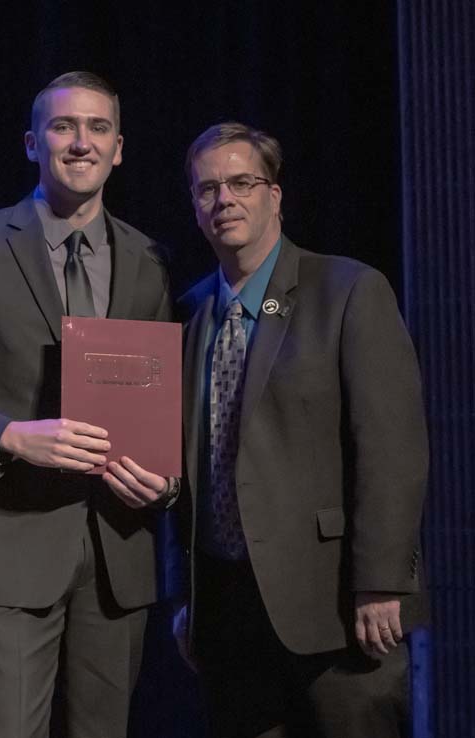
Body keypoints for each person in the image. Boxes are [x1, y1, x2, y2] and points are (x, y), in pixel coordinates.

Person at [0, 71, 177, 738]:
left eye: (98, 128)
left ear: (120, 149)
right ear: (32, 143)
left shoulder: (150, 259)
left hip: (118, 558)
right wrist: (13, 436)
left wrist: (166, 481)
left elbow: (164, 405)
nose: (82, 142)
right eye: (63, 127)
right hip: (12, 554)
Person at [174, 121, 429, 738]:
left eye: (241, 183)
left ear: (275, 196)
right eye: (207, 189)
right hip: (228, 615)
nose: (224, 200)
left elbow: (392, 449)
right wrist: (187, 600)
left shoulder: (346, 289)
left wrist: (381, 583)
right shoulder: (186, 312)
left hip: (337, 607)